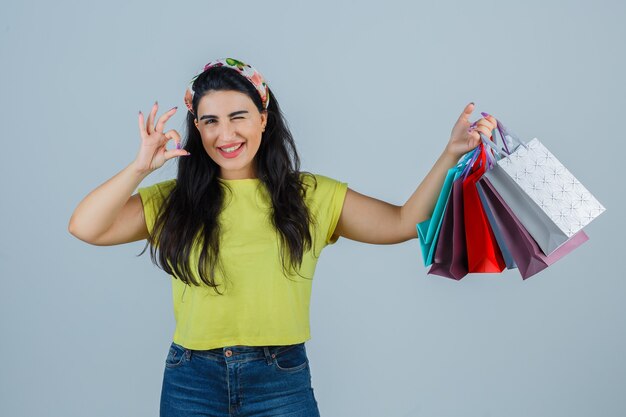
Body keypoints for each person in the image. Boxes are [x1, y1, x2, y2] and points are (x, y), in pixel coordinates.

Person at [68, 57, 497, 417]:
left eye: (239, 117)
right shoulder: (173, 200)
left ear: (263, 119)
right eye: (210, 121)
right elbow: (85, 226)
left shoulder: (309, 196)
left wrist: (451, 153)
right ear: (197, 127)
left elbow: (403, 222)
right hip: (190, 379)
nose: (226, 134)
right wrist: (140, 168)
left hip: (279, 379)